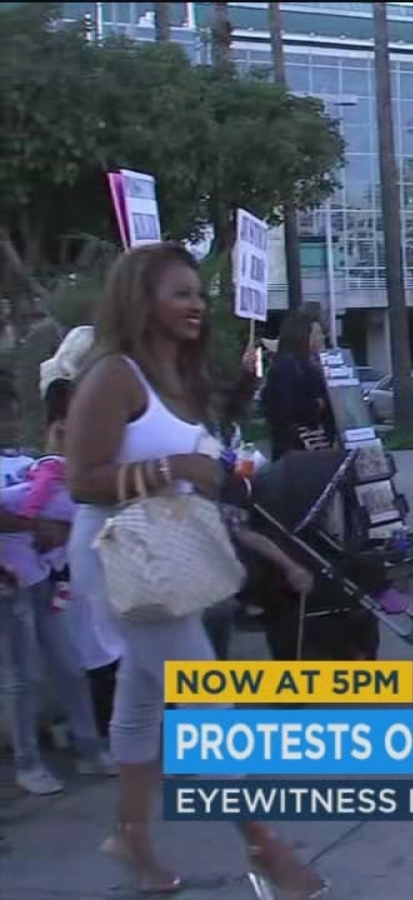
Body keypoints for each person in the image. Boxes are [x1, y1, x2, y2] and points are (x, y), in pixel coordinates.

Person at [64, 242, 325, 897]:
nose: (196, 305)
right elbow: (80, 480)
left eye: (199, 295)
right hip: (120, 555)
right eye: (179, 293)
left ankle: (130, 838)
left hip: (170, 551)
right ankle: (265, 846)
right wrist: (171, 470)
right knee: (207, 695)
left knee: (141, 701)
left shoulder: (176, 376)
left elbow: (203, 456)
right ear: (140, 299)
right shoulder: (113, 374)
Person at [0, 379, 115, 796]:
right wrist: (37, 525)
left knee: (68, 663)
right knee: (22, 675)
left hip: (43, 574)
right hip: (9, 579)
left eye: (12, 412)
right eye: (3, 414)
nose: (10, 421)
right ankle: (27, 762)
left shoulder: (29, 459)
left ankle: (89, 747)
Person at [261, 307, 334, 461]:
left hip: (313, 448)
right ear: (304, 336)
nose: (322, 338)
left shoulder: (312, 366)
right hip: (297, 451)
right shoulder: (287, 368)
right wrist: (318, 404)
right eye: (318, 333)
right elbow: (283, 410)